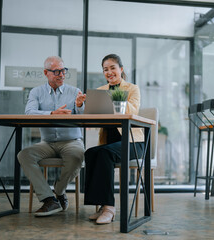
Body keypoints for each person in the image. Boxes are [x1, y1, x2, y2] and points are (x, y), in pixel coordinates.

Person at [18, 56, 86, 217]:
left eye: (63, 71)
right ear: (46, 73)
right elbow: (29, 113)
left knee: (78, 155)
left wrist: (79, 105)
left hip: (71, 141)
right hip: (47, 143)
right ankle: (49, 199)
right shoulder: (37, 92)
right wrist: (51, 113)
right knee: (24, 155)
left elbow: (82, 116)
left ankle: (59, 190)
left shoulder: (74, 92)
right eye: (56, 71)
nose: (61, 74)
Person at [84, 54, 145, 224]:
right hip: (110, 144)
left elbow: (133, 111)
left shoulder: (132, 88)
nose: (109, 72)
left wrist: (115, 97)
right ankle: (102, 206)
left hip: (134, 143)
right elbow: (94, 117)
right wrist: (84, 104)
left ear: (121, 69)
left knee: (103, 154)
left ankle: (109, 208)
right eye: (105, 69)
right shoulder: (101, 91)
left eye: (112, 68)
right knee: (90, 153)